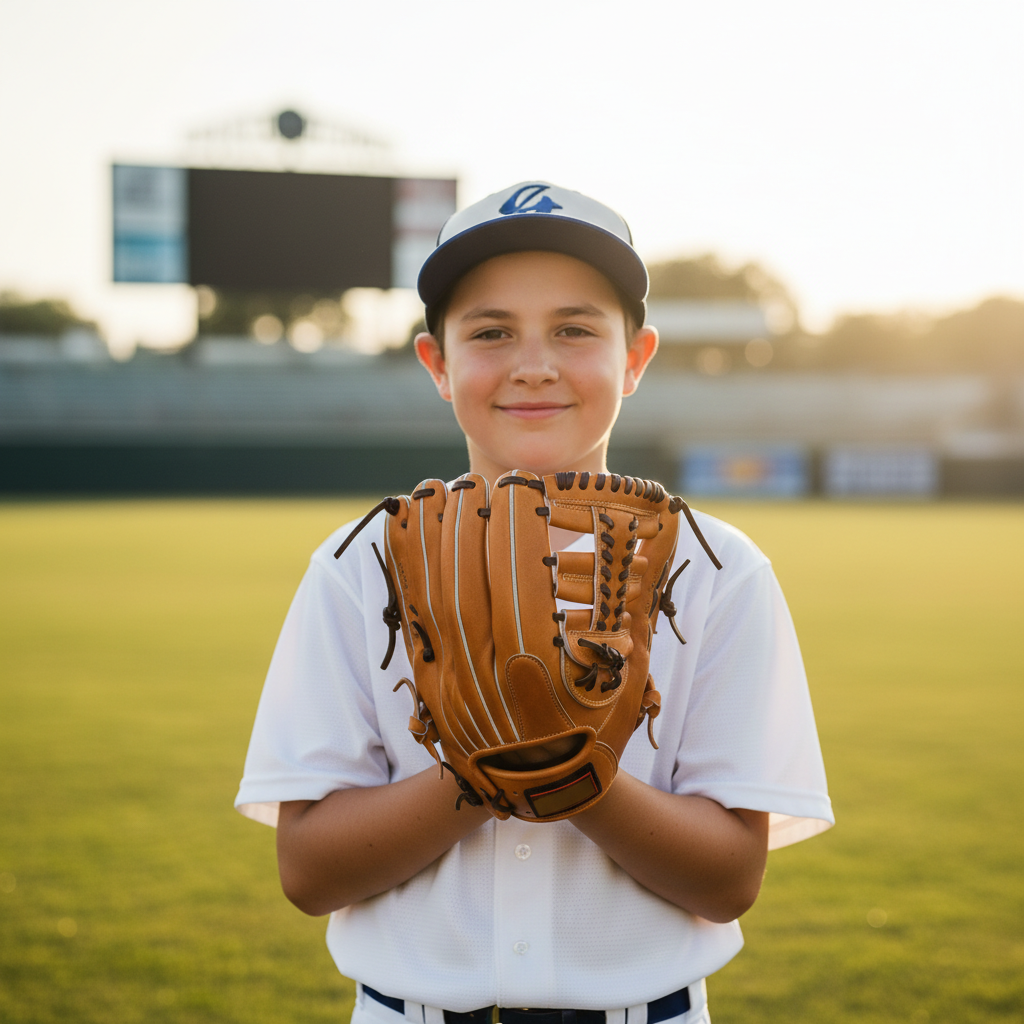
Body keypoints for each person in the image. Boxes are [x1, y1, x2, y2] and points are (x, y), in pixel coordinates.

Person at [235, 181, 834, 1024]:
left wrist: (574, 770)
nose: (534, 363)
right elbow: (309, 872)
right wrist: (476, 768)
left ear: (636, 357)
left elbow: (730, 879)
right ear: (437, 364)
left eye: (575, 329)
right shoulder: (358, 563)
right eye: (490, 332)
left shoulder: (717, 568)